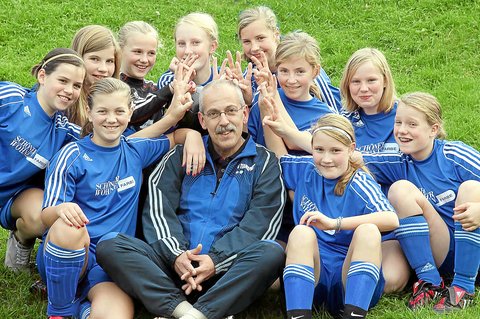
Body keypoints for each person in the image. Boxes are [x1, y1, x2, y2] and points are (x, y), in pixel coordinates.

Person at [96, 80, 286, 319]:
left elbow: (261, 224)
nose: (224, 121)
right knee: (111, 244)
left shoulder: (265, 162)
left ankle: (189, 311)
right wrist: (177, 256)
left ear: (245, 114)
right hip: (171, 266)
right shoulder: (179, 155)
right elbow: (158, 210)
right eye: (214, 114)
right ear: (202, 121)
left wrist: (215, 261)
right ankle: (190, 313)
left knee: (271, 252)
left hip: (225, 272)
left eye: (231, 111)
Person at [36, 74, 199, 319]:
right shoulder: (72, 155)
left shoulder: (135, 151)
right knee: (69, 227)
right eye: (102, 111)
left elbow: (176, 137)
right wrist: (61, 210)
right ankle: (60, 311)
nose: (111, 119)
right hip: (71, 254)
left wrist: (193, 136)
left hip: (109, 266)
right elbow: (47, 216)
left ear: (130, 111)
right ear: (89, 112)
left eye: (119, 111)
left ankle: (85, 309)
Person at [262, 104, 398, 318]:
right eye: (319, 150)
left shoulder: (359, 181)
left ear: (351, 149)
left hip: (350, 278)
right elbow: (278, 157)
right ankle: (299, 314)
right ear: (312, 148)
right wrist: (266, 108)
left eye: (335, 150)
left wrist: (335, 223)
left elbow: (391, 219)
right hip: (313, 276)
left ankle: (353, 314)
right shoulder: (306, 170)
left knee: (369, 231)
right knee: (300, 233)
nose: (326, 159)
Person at [362, 92, 480, 312]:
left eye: (412, 124)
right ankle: (430, 282)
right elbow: (345, 157)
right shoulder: (398, 160)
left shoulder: (455, 155)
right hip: (444, 251)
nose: (402, 130)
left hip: (476, 247)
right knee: (400, 189)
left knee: (472, 189)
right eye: (398, 122)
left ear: (433, 130)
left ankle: (464, 288)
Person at [1, 48, 85, 272]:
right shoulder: (10, 98)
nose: (69, 90)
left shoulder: (64, 131)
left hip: (12, 198)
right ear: (42, 76)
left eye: (76, 86)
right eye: (63, 80)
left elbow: (111, 140)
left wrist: (174, 125)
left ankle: (21, 239)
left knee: (44, 216)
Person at [237, 6, 341, 110]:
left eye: (260, 38)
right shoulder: (250, 76)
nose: (254, 48)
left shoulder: (303, 66)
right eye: (247, 41)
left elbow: (336, 111)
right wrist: (248, 101)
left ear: (276, 34)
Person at [247, 31, 336, 149]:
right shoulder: (261, 102)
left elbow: (293, 143)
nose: (291, 80)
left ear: (315, 72)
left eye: (300, 72)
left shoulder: (325, 115)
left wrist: (273, 97)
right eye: (284, 71)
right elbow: (246, 142)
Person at [157, 12, 223, 133]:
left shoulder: (223, 78)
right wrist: (181, 84)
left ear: (212, 47)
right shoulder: (168, 80)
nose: (187, 51)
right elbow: (162, 129)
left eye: (195, 43)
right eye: (181, 44)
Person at [118, 21, 175, 132]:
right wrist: (169, 89)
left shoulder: (154, 88)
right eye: (138, 52)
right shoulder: (112, 86)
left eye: (151, 53)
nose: (144, 60)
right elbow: (133, 113)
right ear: (120, 50)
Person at [341, 48, 399, 154]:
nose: (364, 88)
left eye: (371, 80)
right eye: (356, 81)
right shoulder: (343, 121)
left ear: (385, 80)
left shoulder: (405, 114)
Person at [69, 25, 121, 126]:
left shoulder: (120, 97)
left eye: (110, 61)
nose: (103, 69)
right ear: (78, 57)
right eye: (94, 59)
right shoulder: (64, 97)